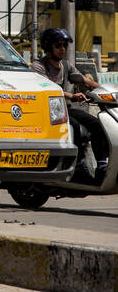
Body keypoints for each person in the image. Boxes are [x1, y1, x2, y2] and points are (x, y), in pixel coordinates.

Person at [33, 27, 105, 179]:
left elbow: (85, 80)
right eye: (58, 46)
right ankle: (77, 168)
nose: (62, 49)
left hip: (65, 109)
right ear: (48, 47)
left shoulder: (65, 65)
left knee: (97, 124)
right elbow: (48, 89)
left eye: (64, 46)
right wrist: (72, 96)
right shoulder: (38, 66)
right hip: (48, 112)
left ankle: (102, 165)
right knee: (76, 128)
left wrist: (105, 89)